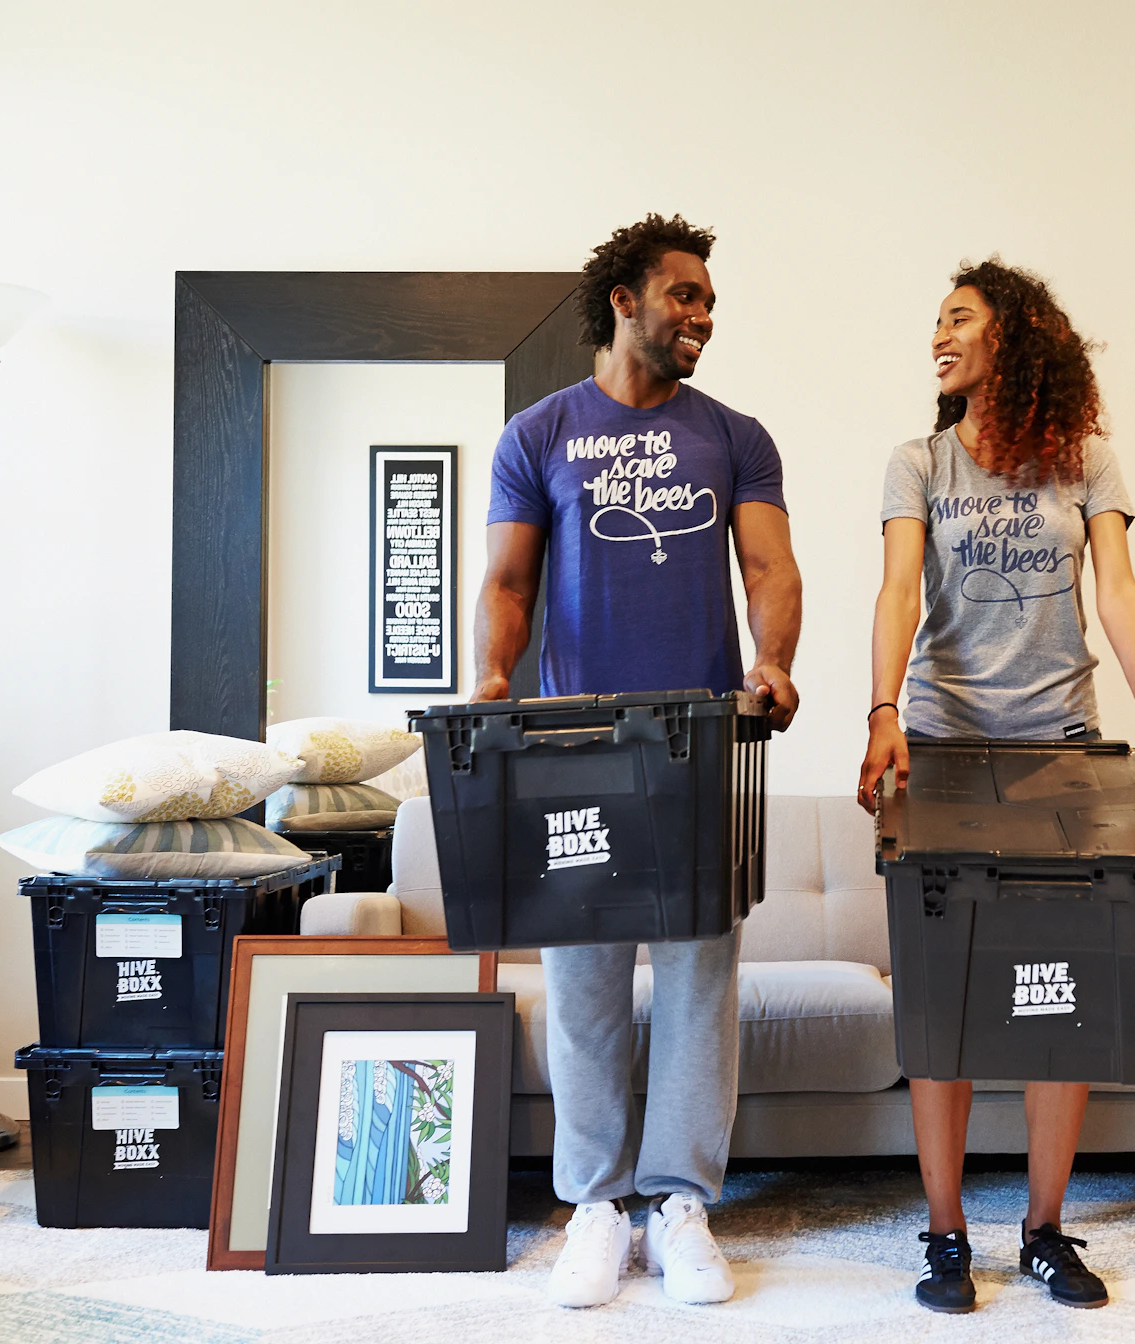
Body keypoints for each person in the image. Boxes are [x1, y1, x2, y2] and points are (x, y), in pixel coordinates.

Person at [473, 213, 802, 1309]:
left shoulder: (734, 436)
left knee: (703, 975)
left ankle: (680, 1201)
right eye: (685, 295)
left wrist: (776, 662)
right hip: (575, 747)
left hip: (696, 742)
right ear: (625, 298)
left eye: (709, 298)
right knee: (585, 983)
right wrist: (492, 680)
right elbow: (511, 583)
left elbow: (767, 565)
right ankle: (597, 1206)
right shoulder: (541, 433)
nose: (703, 315)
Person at [857, 258, 1135, 1314]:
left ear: (1016, 337)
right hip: (946, 753)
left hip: (1064, 751)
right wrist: (881, 711)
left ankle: (1043, 1231)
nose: (939, 336)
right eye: (936, 324)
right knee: (942, 995)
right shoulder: (919, 462)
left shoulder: (1086, 460)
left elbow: (1120, 591)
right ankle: (947, 1233)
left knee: (1063, 992)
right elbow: (898, 589)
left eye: (958, 319)